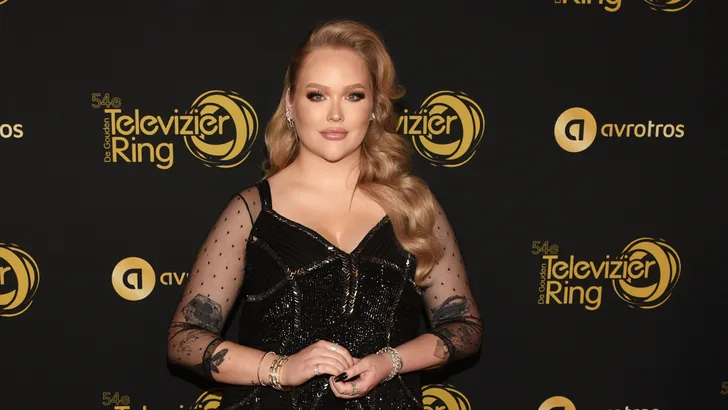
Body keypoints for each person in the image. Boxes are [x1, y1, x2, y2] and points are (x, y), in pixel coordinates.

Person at [166, 19, 483, 410]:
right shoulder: (251, 212)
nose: (335, 114)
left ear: (374, 107)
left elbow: (465, 328)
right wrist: (280, 368)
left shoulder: (414, 207)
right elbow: (185, 339)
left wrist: (390, 362)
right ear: (290, 104)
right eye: (317, 95)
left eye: (353, 95)